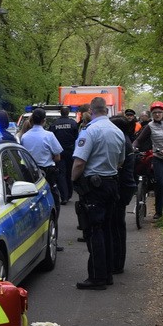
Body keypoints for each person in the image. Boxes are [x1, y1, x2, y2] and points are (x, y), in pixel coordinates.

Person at [71, 96, 126, 290]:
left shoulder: (90, 131)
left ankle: (97, 277)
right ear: (106, 110)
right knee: (107, 229)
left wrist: (73, 180)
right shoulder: (117, 131)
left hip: (94, 186)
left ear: (91, 112)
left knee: (94, 230)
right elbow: (121, 161)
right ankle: (108, 273)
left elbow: (79, 162)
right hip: (111, 183)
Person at [134, 100, 163, 220]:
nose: (157, 114)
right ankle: (159, 211)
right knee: (161, 183)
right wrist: (133, 146)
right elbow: (139, 140)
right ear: (152, 114)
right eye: (154, 112)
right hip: (158, 158)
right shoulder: (150, 126)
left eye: (159, 112)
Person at [109, 116, 138, 273]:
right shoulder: (125, 140)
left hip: (122, 187)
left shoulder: (122, 142)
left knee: (117, 225)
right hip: (126, 186)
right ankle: (117, 261)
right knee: (117, 224)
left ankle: (117, 263)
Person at [22, 107, 64, 211]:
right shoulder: (49, 135)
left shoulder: (25, 137)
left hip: (30, 173)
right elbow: (58, 157)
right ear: (43, 120)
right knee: (53, 198)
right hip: (47, 173)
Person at [48, 105, 78, 204]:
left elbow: (51, 138)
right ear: (68, 113)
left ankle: (64, 196)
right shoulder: (73, 123)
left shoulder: (54, 124)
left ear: (60, 113)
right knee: (69, 173)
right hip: (70, 151)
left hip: (59, 152)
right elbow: (76, 138)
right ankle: (69, 194)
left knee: (61, 174)